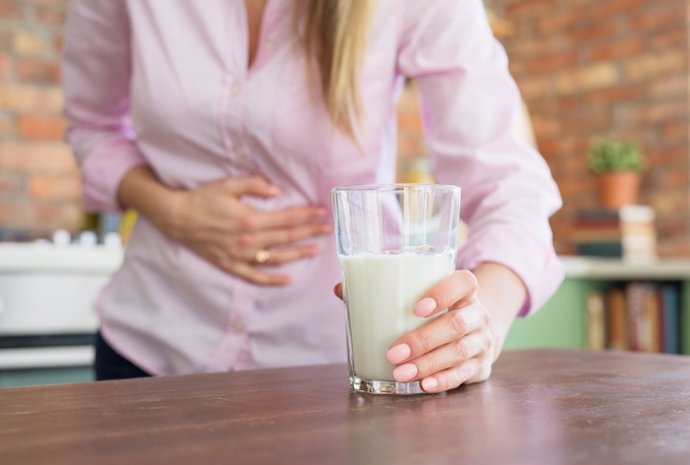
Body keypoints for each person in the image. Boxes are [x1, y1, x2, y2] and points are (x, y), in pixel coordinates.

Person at [62, 0, 564, 393]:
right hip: (151, 348)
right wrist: (170, 209)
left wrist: (481, 325)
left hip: (330, 371)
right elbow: (93, 127)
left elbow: (509, 183)